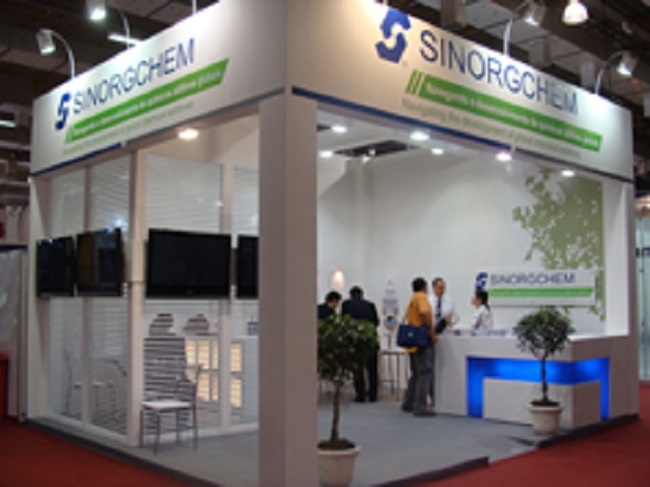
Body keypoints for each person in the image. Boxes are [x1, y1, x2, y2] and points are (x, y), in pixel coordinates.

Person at [401, 277, 436, 417]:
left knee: (416, 372)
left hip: (412, 340)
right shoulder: (421, 297)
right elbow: (424, 313)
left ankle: (408, 402)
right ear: (424, 287)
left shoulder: (412, 299)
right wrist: (431, 332)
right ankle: (420, 405)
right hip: (421, 338)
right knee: (425, 372)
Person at [341, 286, 380, 402]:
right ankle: (373, 395)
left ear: (350, 295)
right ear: (362, 295)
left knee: (357, 369)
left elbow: (344, 321)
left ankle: (360, 394)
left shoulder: (346, 305)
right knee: (372, 369)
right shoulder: (370, 305)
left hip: (355, 341)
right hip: (370, 339)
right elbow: (376, 322)